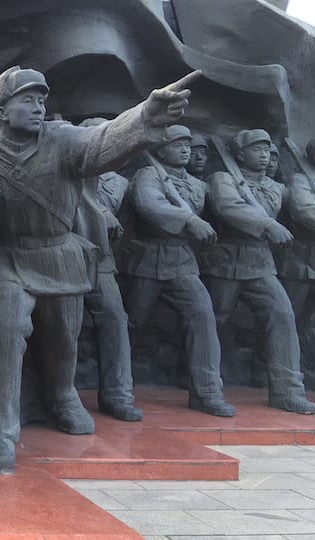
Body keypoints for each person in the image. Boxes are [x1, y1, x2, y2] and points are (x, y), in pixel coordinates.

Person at [0, 66, 199, 475]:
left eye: (42, 100)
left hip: (59, 255)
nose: (39, 107)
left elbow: (103, 141)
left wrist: (146, 115)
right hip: (8, 259)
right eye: (27, 100)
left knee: (63, 337)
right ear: (0, 110)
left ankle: (61, 395)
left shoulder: (63, 140)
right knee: (3, 329)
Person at [199, 129, 315, 414]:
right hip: (226, 260)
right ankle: (202, 385)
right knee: (214, 320)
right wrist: (266, 225)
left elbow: (303, 208)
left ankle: (287, 391)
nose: (264, 155)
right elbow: (228, 207)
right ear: (240, 154)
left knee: (282, 316)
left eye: (267, 150)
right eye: (257, 149)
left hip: (261, 263)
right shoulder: (222, 179)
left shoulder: (277, 187)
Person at [119, 124, 234, 417]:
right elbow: (149, 206)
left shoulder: (198, 185)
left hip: (182, 260)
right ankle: (116, 386)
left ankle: (207, 390)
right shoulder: (148, 175)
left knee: (202, 314)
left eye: (187, 145)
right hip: (148, 258)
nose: (185, 150)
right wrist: (188, 220)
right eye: (177, 144)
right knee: (131, 323)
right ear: (161, 149)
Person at [72, 118, 141, 421]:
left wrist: (99, 210)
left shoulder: (118, 180)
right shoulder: (66, 162)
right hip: (65, 254)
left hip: (100, 258)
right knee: (64, 327)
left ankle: (118, 394)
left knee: (114, 318)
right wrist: (99, 211)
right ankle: (61, 394)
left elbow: (103, 202)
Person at [276, 135, 315, 354]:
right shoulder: (301, 180)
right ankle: (264, 361)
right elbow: (304, 211)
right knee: (288, 314)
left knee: (305, 320)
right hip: (301, 259)